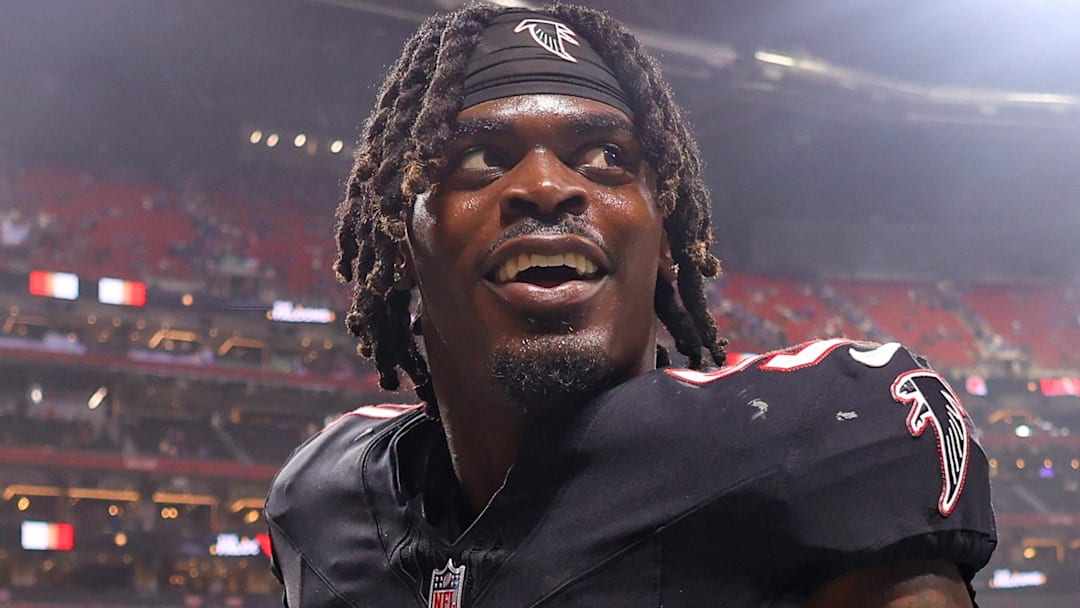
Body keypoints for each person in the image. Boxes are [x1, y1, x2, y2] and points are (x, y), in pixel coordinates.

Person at [265, 4, 996, 607]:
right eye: (480, 158)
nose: (548, 186)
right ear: (397, 244)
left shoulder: (818, 438)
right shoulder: (321, 501)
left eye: (607, 156)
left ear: (669, 237)